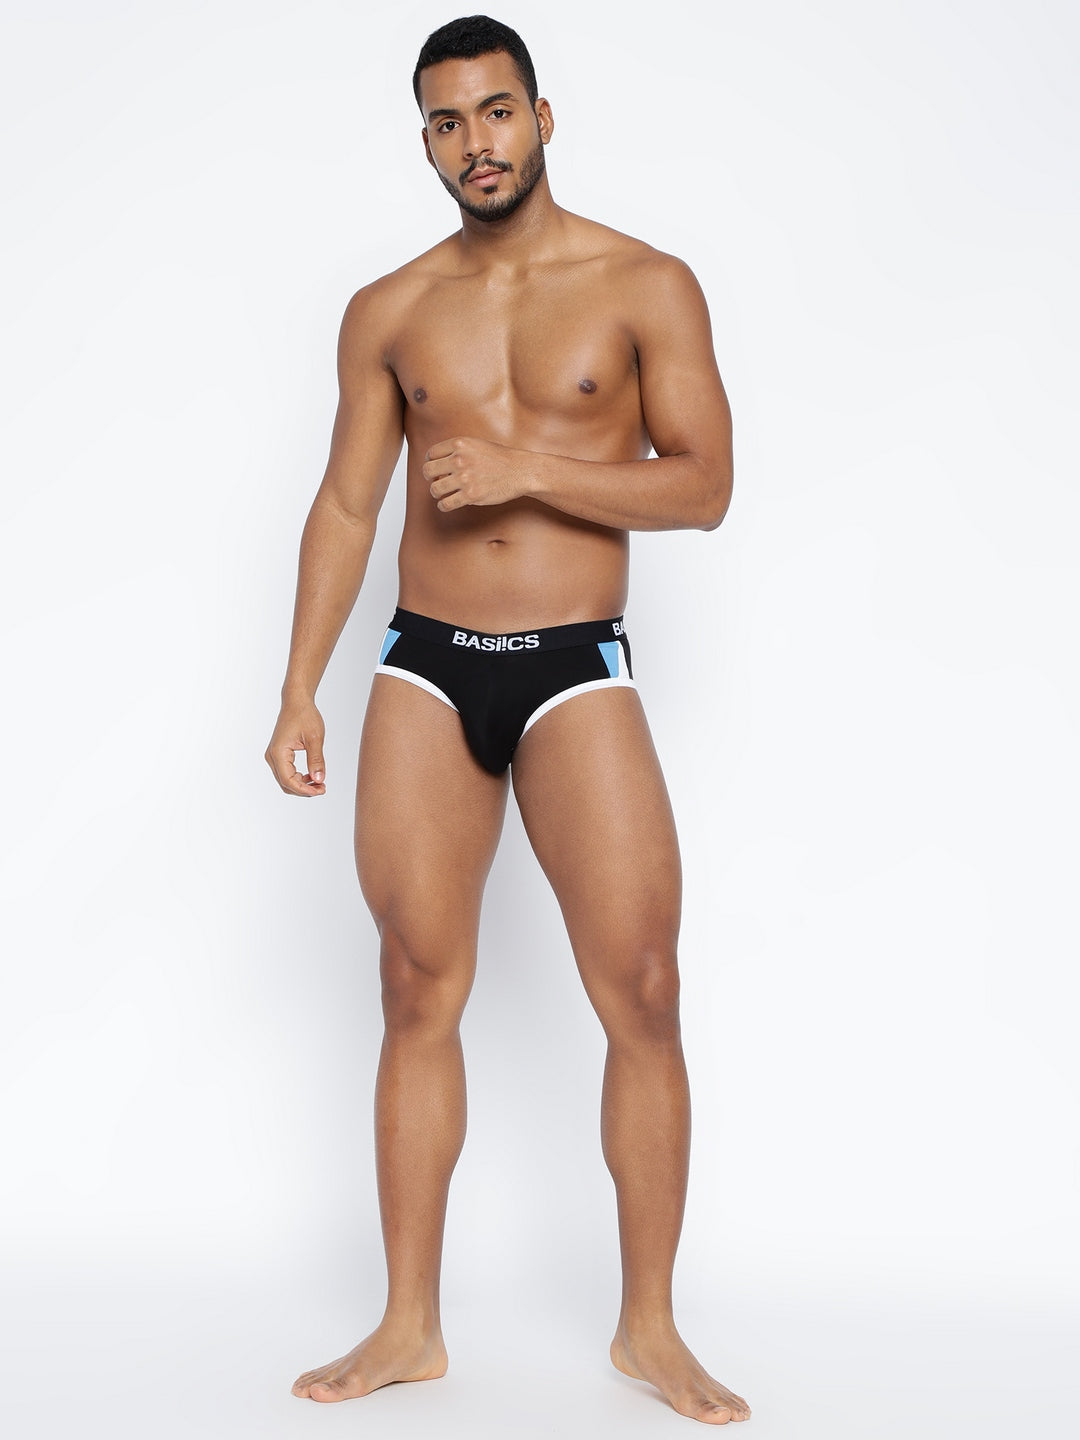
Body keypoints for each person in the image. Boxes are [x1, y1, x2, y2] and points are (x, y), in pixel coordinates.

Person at [265, 14, 749, 1426]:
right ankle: (410, 1324)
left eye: (494, 111)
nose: (474, 143)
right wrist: (297, 687)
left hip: (572, 663)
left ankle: (648, 1329)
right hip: (426, 666)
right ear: (423, 140)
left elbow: (706, 484)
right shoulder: (390, 310)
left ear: (542, 116)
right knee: (416, 986)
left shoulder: (644, 283)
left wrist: (529, 468)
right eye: (445, 121)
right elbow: (347, 503)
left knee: (642, 988)